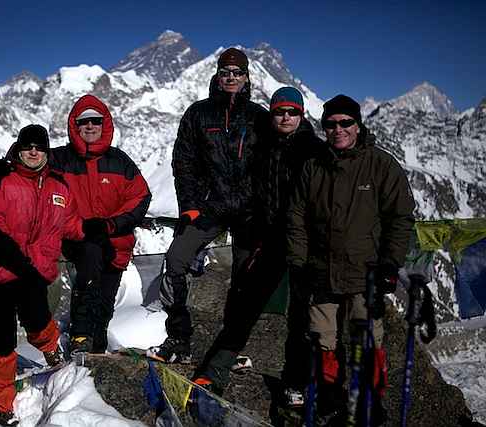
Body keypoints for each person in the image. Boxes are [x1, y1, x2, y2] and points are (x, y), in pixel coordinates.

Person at [286, 94, 415, 424]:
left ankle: (369, 402)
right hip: (319, 272)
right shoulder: (313, 167)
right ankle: (328, 398)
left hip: (365, 273)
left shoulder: (380, 164)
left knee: (367, 342)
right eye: (330, 124)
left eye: (345, 123)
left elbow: (400, 217)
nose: (338, 129)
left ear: (358, 126)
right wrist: (298, 264)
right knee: (321, 342)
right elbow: (297, 219)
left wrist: (389, 264)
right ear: (324, 128)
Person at [146, 47, 269, 394]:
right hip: (209, 208)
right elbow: (183, 161)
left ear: (247, 77)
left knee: (245, 279)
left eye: (238, 72)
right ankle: (178, 338)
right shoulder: (198, 114)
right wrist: (190, 204)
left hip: (248, 212)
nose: (231, 77)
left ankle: (233, 348)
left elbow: (272, 165)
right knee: (176, 260)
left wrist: (263, 207)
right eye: (225, 71)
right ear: (217, 75)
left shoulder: (258, 116)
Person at [0, 124, 83, 426]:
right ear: (19, 149)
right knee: (3, 335)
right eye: (28, 146)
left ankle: (50, 350)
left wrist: (98, 231)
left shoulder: (58, 188)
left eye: (39, 147)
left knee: (37, 316)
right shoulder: (0, 180)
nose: (33, 151)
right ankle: (1, 398)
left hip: (31, 269)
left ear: (46, 151)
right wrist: (18, 262)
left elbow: (70, 224)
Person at [50, 94, 151, 355]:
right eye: (84, 122)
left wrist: (111, 225)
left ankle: (96, 349)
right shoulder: (61, 159)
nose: (91, 126)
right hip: (80, 241)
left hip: (116, 243)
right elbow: (29, 163)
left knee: (105, 303)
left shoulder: (120, 161)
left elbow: (140, 197)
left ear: (105, 124)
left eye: (96, 121)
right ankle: (80, 336)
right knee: (89, 276)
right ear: (75, 126)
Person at [251, 87, 324, 408]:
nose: (285, 117)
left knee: (302, 315)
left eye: (292, 112)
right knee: (250, 301)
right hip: (270, 237)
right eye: (280, 111)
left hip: (305, 242)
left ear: (301, 115)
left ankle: (298, 381)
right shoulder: (263, 146)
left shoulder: (315, 149)